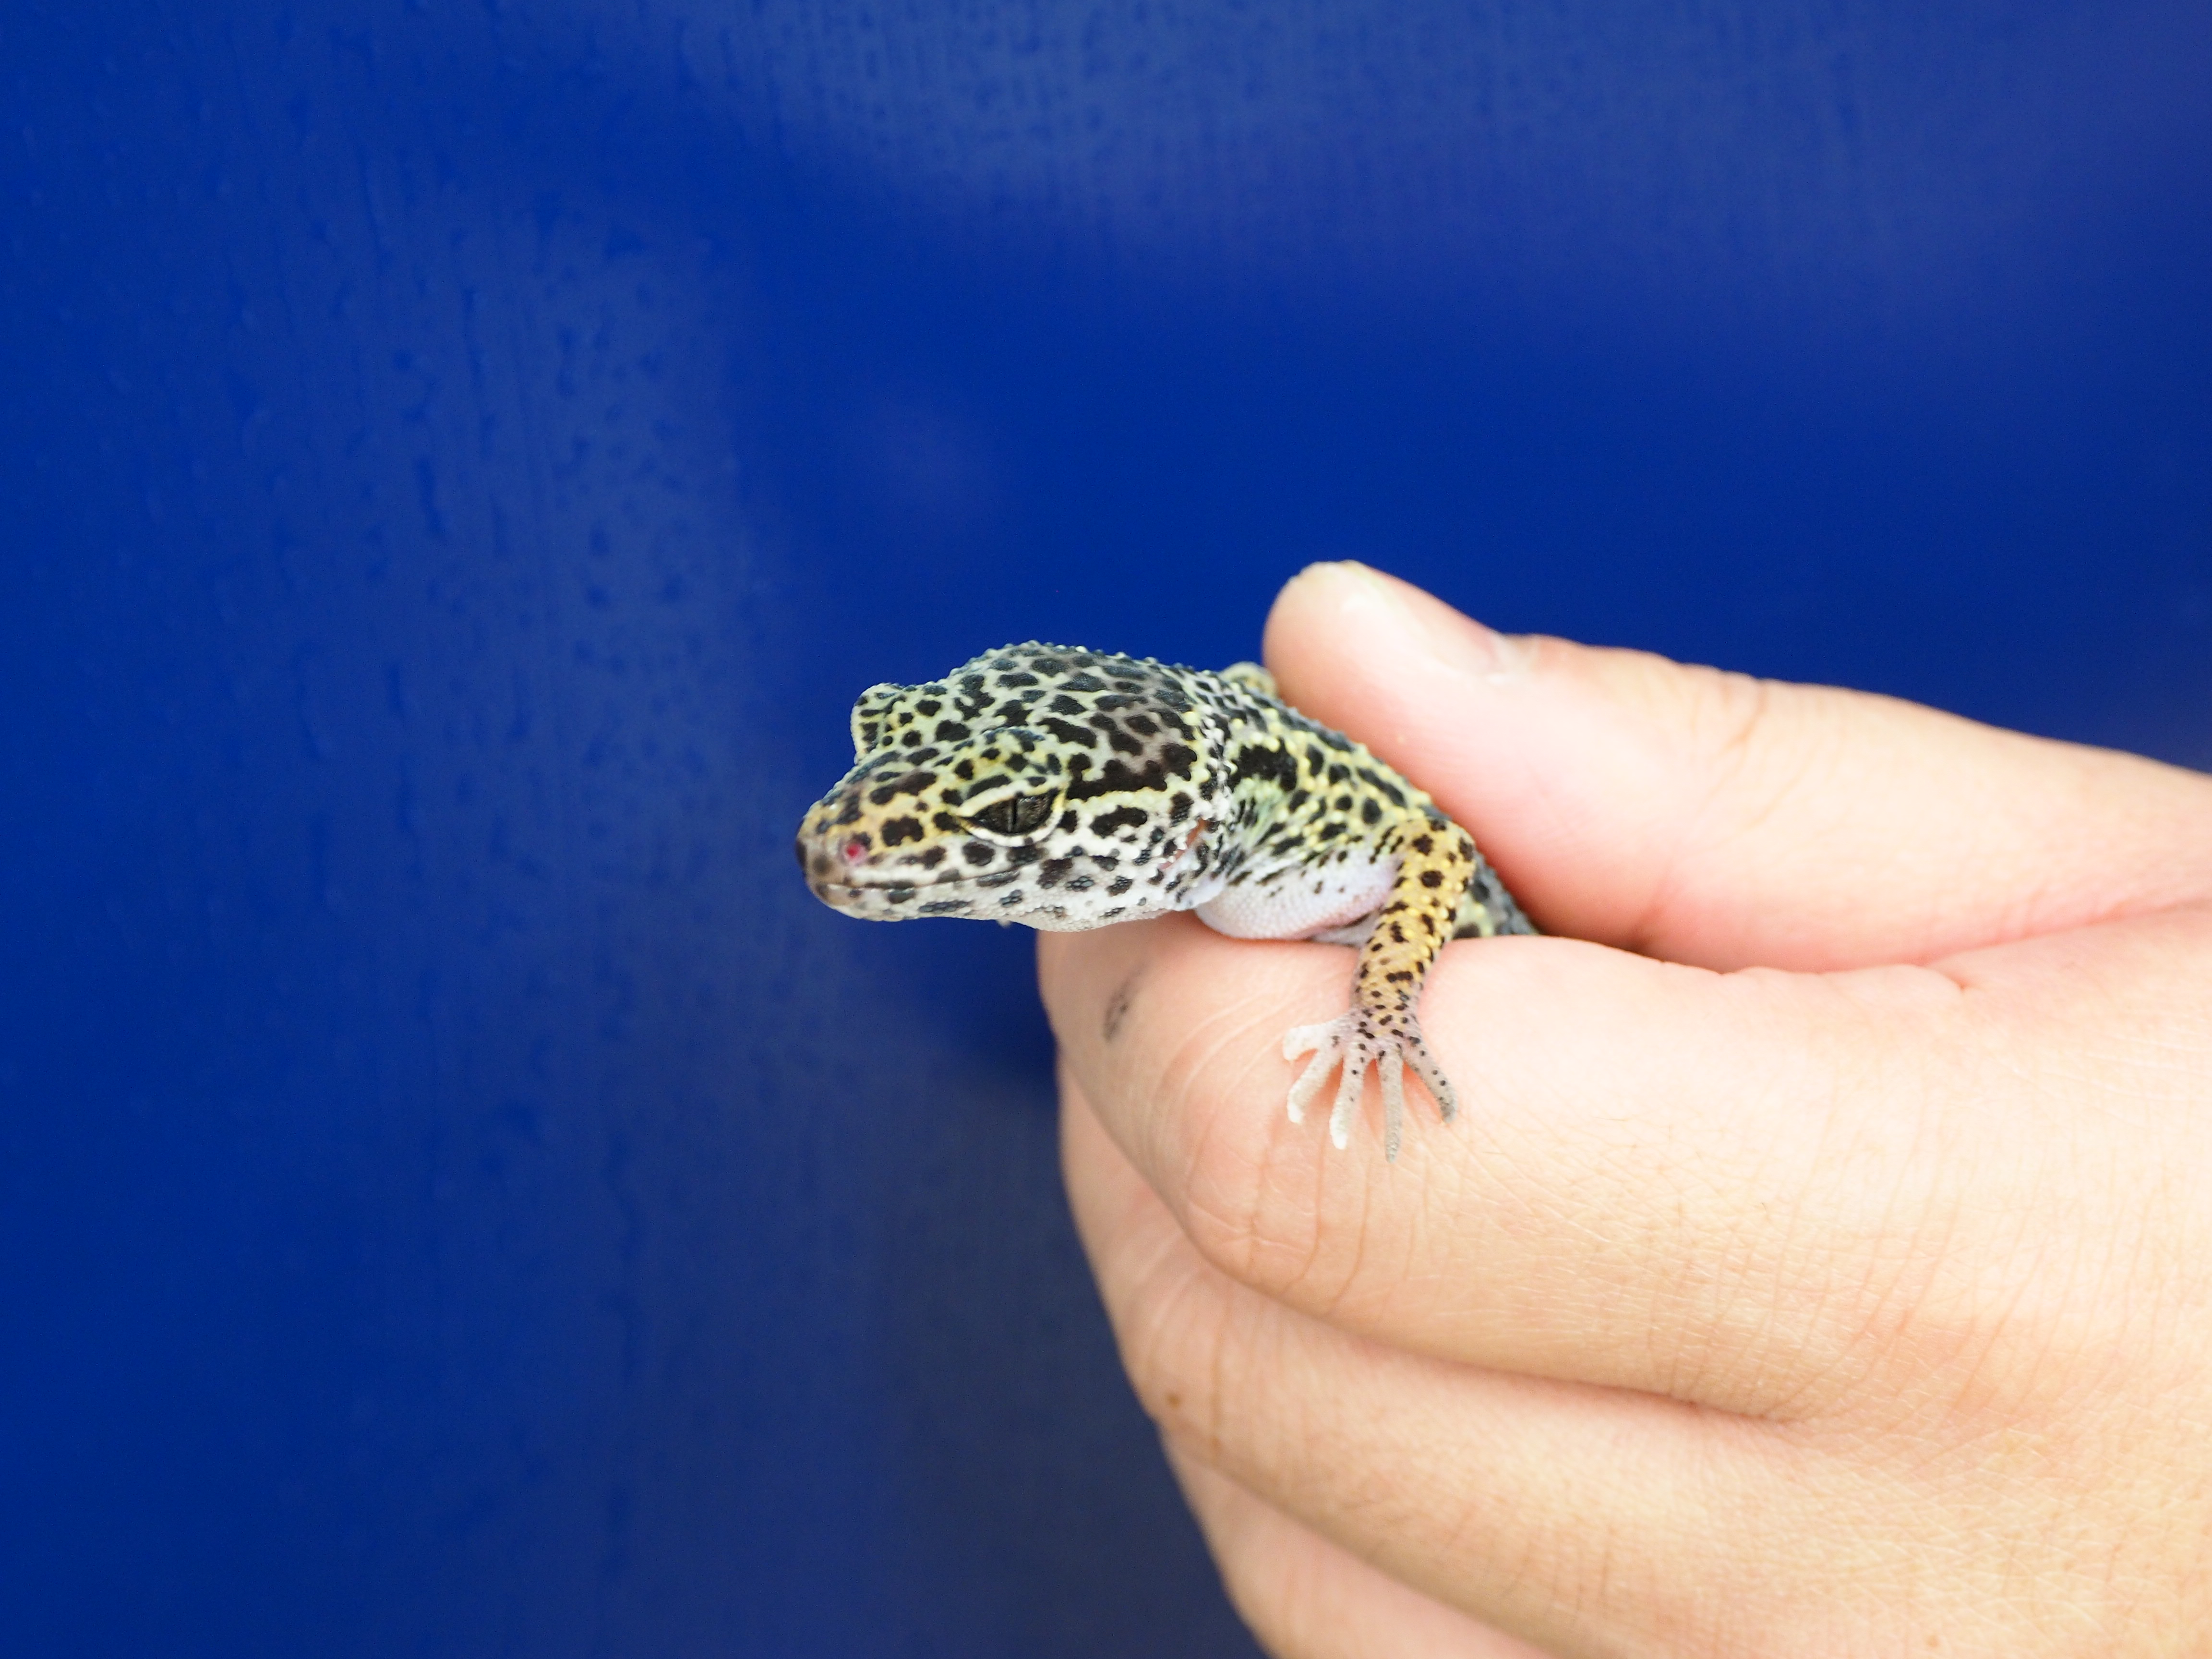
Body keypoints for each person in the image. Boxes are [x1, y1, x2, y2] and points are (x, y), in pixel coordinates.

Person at [1040, 562, 2212, 1656]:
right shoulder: (1225, 798)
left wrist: (1385, 1004)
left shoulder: (1307, 829)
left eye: (1007, 827)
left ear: (1188, 820)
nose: (936, 850)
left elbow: (1431, 850)